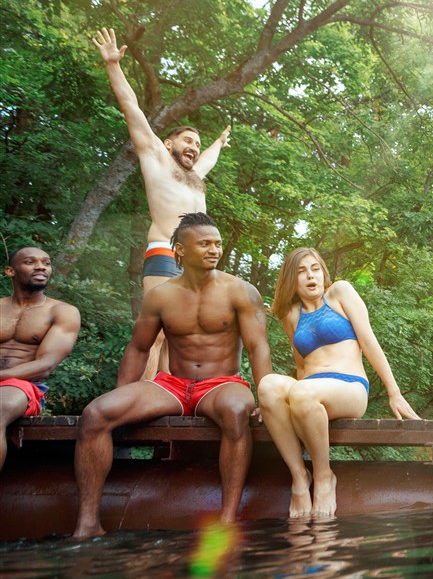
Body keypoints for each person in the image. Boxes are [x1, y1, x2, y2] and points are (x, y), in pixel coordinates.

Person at [72, 212, 271, 538]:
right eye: (204, 243)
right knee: (95, 414)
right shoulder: (161, 296)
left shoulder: (240, 291)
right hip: (172, 385)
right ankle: (87, 523)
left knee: (237, 412)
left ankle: (227, 520)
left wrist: (264, 397)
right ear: (179, 250)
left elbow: (258, 348)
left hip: (221, 384)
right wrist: (122, 393)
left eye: (217, 244)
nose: (214, 250)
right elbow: (139, 348)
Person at [93, 27, 231, 380]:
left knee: (179, 337)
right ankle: (142, 393)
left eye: (197, 144)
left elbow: (207, 161)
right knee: (153, 333)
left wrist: (217, 143)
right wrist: (113, 65)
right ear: (169, 144)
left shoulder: (194, 175)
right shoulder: (156, 157)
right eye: (188, 140)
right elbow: (131, 108)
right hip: (165, 252)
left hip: (196, 261)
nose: (194, 147)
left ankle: (170, 398)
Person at [259, 248, 421, 520]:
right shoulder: (290, 314)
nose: (311, 276)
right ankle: (300, 478)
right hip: (310, 390)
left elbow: (369, 342)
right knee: (267, 386)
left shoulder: (340, 293)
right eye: (301, 272)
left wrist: (394, 392)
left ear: (323, 272)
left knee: (302, 392)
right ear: (291, 279)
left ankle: (324, 477)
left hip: (350, 387)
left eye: (315, 268)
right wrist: (288, 409)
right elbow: (301, 366)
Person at [1, 246, 81, 472]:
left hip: (22, 387)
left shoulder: (62, 311)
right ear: (10, 271)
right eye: (30, 262)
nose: (41, 267)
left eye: (46, 263)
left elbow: (45, 365)